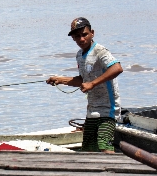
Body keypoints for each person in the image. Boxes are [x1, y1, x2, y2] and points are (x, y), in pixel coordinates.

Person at [46, 17, 123, 154]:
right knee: (88, 148)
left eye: (84, 34)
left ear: (92, 33)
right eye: (77, 36)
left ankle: (112, 172)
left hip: (108, 109)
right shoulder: (79, 55)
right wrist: (60, 80)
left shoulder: (100, 51)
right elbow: (83, 80)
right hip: (92, 109)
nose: (81, 39)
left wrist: (92, 84)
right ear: (73, 38)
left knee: (104, 144)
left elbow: (117, 68)